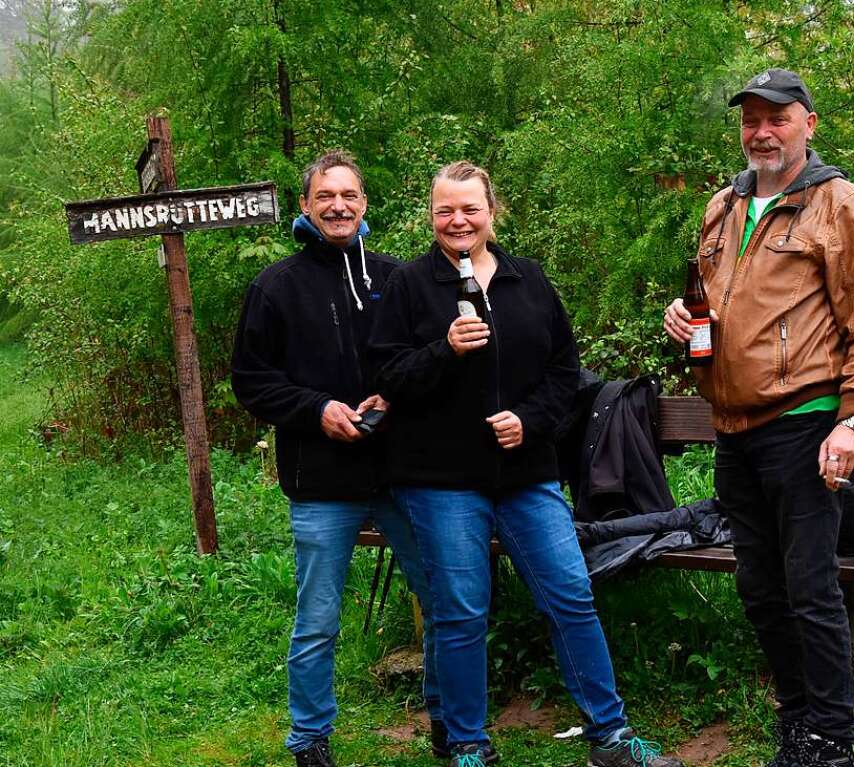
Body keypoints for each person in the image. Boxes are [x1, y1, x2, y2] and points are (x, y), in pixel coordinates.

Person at [369, 161, 681, 767]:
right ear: (431, 216)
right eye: (444, 210)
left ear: (492, 212)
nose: (457, 220)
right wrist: (443, 350)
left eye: (470, 209)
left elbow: (565, 373)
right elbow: (385, 375)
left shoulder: (527, 280)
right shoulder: (410, 286)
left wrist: (529, 421)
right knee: (460, 608)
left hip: (526, 474)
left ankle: (610, 739)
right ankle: (466, 745)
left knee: (569, 593)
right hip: (441, 480)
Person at [664, 69, 854, 767]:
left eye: (778, 117)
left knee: (810, 586)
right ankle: (799, 722)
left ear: (808, 124)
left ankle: (832, 741)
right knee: (760, 588)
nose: (762, 131)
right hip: (733, 426)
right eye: (751, 119)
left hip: (807, 417)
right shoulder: (721, 206)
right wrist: (683, 320)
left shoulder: (838, 202)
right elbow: (709, 306)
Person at [231, 150, 442, 767]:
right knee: (318, 616)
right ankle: (309, 739)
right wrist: (316, 408)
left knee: (440, 600)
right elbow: (250, 379)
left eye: (348, 195)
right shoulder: (275, 286)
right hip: (321, 480)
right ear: (305, 206)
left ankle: (447, 720)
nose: (338, 206)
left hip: (402, 474)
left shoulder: (396, 279)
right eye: (325, 196)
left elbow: (427, 363)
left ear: (364, 204)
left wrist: (394, 398)